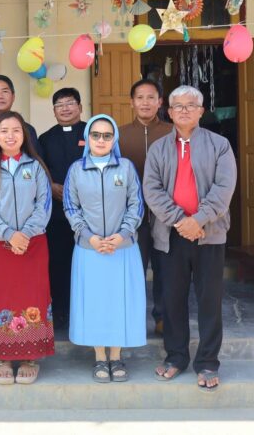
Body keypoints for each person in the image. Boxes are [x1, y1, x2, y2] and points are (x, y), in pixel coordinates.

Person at [143, 85, 236, 393]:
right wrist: (180, 221)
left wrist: (198, 220)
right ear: (169, 112)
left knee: (209, 300)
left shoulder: (220, 145)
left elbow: (224, 188)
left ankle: (208, 362)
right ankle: (176, 356)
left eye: (190, 105)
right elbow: (152, 190)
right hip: (171, 236)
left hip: (209, 234)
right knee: (172, 300)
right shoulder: (158, 148)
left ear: (201, 111)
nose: (184, 110)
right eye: (178, 106)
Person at [63, 115, 145, 382]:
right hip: (90, 250)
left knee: (119, 303)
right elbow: (70, 207)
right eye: (95, 135)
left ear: (114, 139)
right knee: (95, 304)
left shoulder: (126, 167)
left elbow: (136, 205)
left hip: (122, 249)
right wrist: (90, 237)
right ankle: (100, 357)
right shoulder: (76, 169)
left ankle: (116, 356)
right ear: (87, 138)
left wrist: (121, 236)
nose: (101, 140)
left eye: (107, 135)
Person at [0, 111, 53, 385]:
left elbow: (44, 204)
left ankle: (30, 356)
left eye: (16, 130)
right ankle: (3, 357)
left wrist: (25, 234)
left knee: (33, 296)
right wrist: (8, 234)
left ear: (24, 135)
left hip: (33, 244)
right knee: (1, 298)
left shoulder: (36, 166)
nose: (10, 136)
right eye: (4, 131)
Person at [119, 79, 174, 336]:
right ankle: (132, 318)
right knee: (133, 267)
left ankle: (162, 317)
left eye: (151, 97)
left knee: (165, 267)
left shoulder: (172, 133)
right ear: (132, 102)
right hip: (132, 214)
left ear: (160, 102)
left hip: (165, 213)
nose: (145, 103)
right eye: (140, 97)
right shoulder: (119, 135)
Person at [37, 87, 86, 328]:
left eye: (70, 103)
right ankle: (60, 312)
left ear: (80, 107)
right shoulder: (45, 138)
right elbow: (40, 167)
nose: (65, 108)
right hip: (56, 212)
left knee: (84, 263)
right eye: (59, 105)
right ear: (54, 111)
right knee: (58, 263)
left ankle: (84, 311)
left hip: (87, 212)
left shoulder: (92, 132)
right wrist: (51, 186)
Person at [0, 74, 39, 151]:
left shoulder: (27, 129)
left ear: (13, 97)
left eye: (5, 91)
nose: (0, 96)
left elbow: (34, 157)